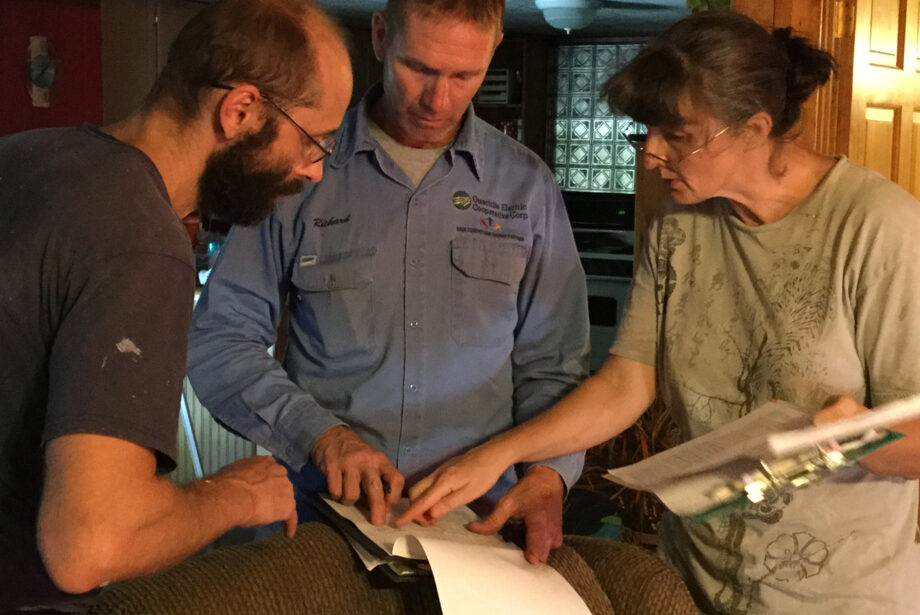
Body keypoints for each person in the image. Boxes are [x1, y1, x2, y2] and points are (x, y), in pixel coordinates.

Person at [399, 11, 920, 615]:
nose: (650, 154)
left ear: (753, 129)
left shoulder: (880, 228)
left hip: (836, 597)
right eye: (645, 130)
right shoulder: (681, 224)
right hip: (689, 582)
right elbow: (628, 381)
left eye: (677, 134)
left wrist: (846, 439)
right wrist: (501, 454)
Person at [186, 0, 589, 565]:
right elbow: (220, 340)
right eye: (418, 68)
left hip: (482, 529)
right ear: (380, 37)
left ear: (493, 51)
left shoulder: (527, 186)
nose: (438, 99)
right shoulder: (299, 167)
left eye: (464, 76)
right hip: (321, 518)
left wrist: (550, 475)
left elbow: (555, 365)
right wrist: (321, 436)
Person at [0, 0, 352, 610]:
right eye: (313, 140)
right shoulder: (140, 239)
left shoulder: (26, 155)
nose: (313, 171)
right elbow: (90, 545)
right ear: (241, 110)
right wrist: (236, 495)